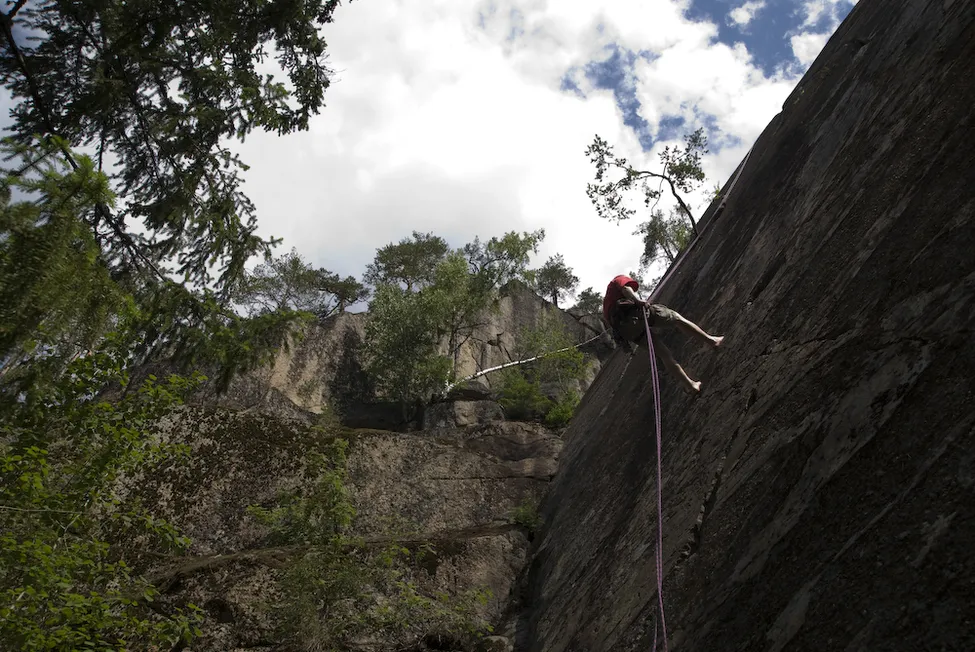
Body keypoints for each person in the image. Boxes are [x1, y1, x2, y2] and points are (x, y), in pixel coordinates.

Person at [601, 274, 723, 393]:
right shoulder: (618, 280)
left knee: (664, 354)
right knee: (677, 318)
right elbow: (625, 288)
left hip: (627, 332)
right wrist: (638, 301)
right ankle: (712, 341)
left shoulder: (607, 305)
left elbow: (613, 324)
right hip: (637, 316)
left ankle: (690, 385)